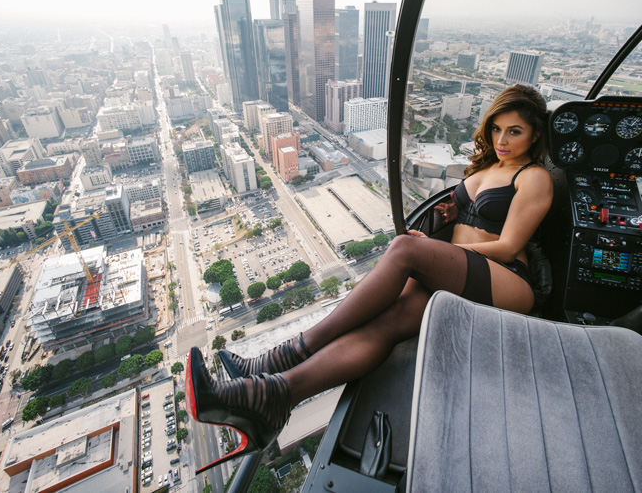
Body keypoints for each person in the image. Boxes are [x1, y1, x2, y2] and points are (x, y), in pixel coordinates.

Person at [186, 84, 553, 473]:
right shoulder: (491, 166)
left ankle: (280, 357)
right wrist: (448, 224)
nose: (502, 139)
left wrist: (437, 253)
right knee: (386, 323)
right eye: (496, 128)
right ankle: (277, 395)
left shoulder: (534, 177)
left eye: (514, 131)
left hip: (509, 282)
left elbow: (510, 246)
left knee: (404, 250)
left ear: (535, 135)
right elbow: (471, 218)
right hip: (465, 275)